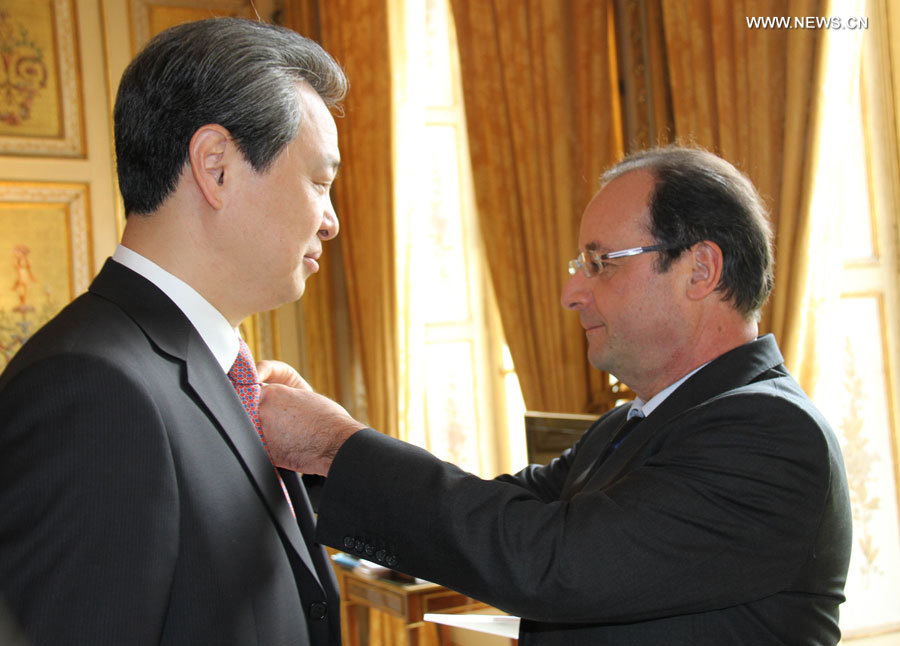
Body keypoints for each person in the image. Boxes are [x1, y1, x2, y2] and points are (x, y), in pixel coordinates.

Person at [257, 146, 853, 645]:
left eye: (600, 263)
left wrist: (335, 444)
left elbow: (550, 563)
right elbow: (492, 519)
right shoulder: (632, 422)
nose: (571, 292)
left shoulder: (771, 434)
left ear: (700, 270)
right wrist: (315, 457)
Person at [0, 18, 346, 645]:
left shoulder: (216, 377)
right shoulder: (92, 390)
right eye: (320, 183)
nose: (331, 222)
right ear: (216, 168)